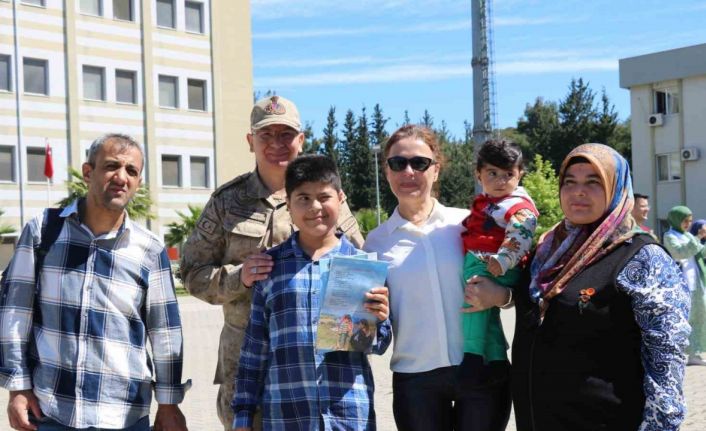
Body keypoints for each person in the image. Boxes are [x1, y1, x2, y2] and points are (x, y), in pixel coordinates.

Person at [465, 143, 691, 431]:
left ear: (616, 188)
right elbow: (534, 304)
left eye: (593, 182)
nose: (578, 192)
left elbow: (666, 355)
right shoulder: (548, 250)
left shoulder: (642, 257)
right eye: (569, 182)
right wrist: (503, 295)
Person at [179, 95, 363, 430]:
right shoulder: (227, 202)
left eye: (286, 134)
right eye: (266, 135)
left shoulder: (326, 199)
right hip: (245, 365)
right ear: (251, 141)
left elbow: (357, 265)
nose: (276, 143)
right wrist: (238, 278)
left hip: (314, 364)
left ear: (301, 140)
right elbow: (191, 272)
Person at [0, 134, 190, 431]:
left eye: (131, 171)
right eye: (112, 166)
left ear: (138, 183)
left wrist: (168, 404)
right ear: (88, 172)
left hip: (124, 417)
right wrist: (18, 387)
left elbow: (165, 333)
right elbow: (15, 312)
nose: (121, 177)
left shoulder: (150, 250)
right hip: (50, 412)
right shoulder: (43, 232)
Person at [364, 125, 511, 431]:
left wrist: (502, 296)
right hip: (416, 381)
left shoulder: (469, 223)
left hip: (482, 369)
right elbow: (371, 320)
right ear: (387, 171)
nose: (408, 172)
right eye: (398, 163)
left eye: (419, 163)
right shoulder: (375, 243)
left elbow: (517, 282)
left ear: (436, 170)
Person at [231, 155, 391, 431]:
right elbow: (255, 349)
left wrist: (378, 320)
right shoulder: (271, 268)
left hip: (348, 416)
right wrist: (243, 416)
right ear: (288, 205)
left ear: (340, 198)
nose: (315, 207)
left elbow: (380, 344)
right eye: (303, 198)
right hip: (287, 415)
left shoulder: (361, 266)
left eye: (324, 197)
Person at [460, 139, 538, 367]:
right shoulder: (491, 201)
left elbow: (521, 234)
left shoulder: (518, 204)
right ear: (478, 175)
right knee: (488, 313)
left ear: (520, 175)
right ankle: (497, 361)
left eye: (508, 174)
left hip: (493, 264)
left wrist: (503, 260)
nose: (500, 181)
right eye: (492, 173)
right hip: (486, 260)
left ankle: (472, 358)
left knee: (472, 304)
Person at [663, 207, 706, 365]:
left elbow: (700, 252)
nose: (688, 224)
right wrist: (697, 238)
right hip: (681, 283)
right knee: (681, 320)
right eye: (685, 220)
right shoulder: (669, 236)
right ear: (676, 220)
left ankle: (695, 354)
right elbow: (680, 253)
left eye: (690, 220)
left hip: (696, 282)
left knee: (699, 318)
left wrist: (702, 240)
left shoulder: (688, 235)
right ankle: (676, 355)